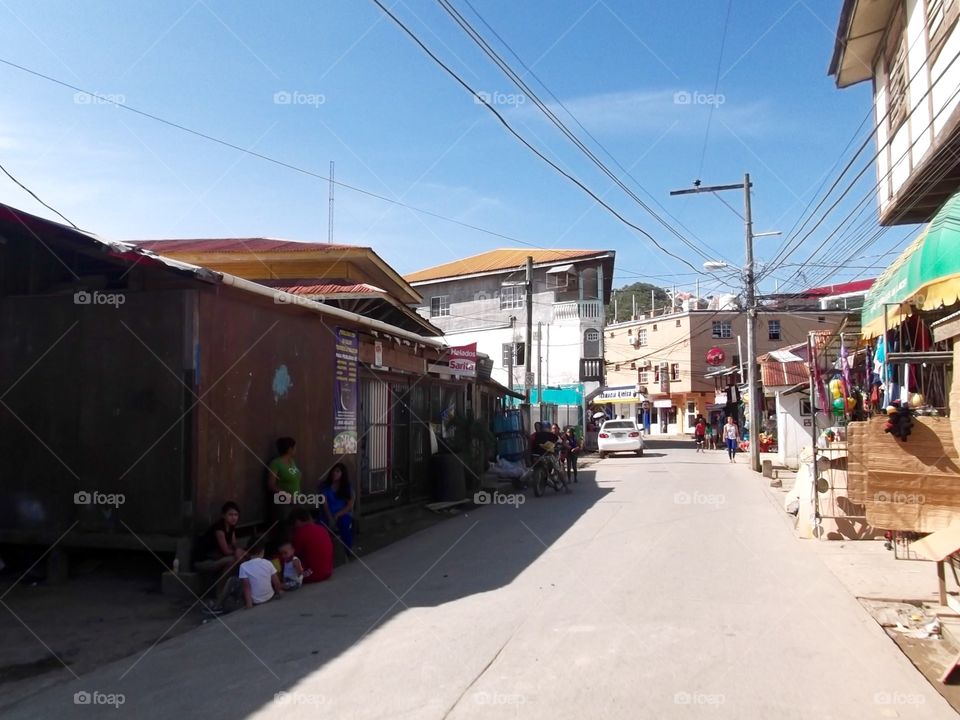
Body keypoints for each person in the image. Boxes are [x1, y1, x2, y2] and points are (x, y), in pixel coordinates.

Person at [194, 501, 246, 611]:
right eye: (230, 515)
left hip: (216, 559)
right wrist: (238, 552)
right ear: (223, 515)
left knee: (237, 557)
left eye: (236, 515)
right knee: (232, 560)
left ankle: (233, 589)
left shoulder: (231, 527)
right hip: (203, 562)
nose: (233, 518)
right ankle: (220, 590)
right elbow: (227, 551)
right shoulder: (219, 529)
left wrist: (239, 551)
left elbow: (234, 545)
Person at [268, 437, 302, 534]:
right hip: (284, 503)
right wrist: (288, 496)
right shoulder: (276, 463)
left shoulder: (292, 462)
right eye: (295, 447)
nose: (296, 450)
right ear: (290, 449)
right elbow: (271, 485)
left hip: (296, 501)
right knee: (286, 529)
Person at [290, 508, 333, 583]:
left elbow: (293, 554)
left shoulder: (300, 533)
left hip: (312, 575)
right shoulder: (321, 528)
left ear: (297, 521)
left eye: (293, 524)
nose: (294, 527)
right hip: (328, 571)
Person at [320, 463, 355, 553]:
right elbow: (325, 504)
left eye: (337, 471)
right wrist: (330, 516)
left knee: (344, 524)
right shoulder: (325, 487)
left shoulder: (347, 488)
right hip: (328, 513)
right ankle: (325, 550)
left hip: (343, 513)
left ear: (343, 474)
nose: (334, 473)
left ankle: (348, 549)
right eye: (333, 471)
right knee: (320, 526)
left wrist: (337, 515)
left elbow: (349, 505)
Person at [239, 541, 283, 609]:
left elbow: (246, 587)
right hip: (270, 597)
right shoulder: (268, 563)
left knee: (235, 581)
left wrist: (249, 604)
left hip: (256, 601)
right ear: (262, 551)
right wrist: (278, 593)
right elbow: (277, 582)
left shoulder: (243, 566)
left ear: (248, 552)